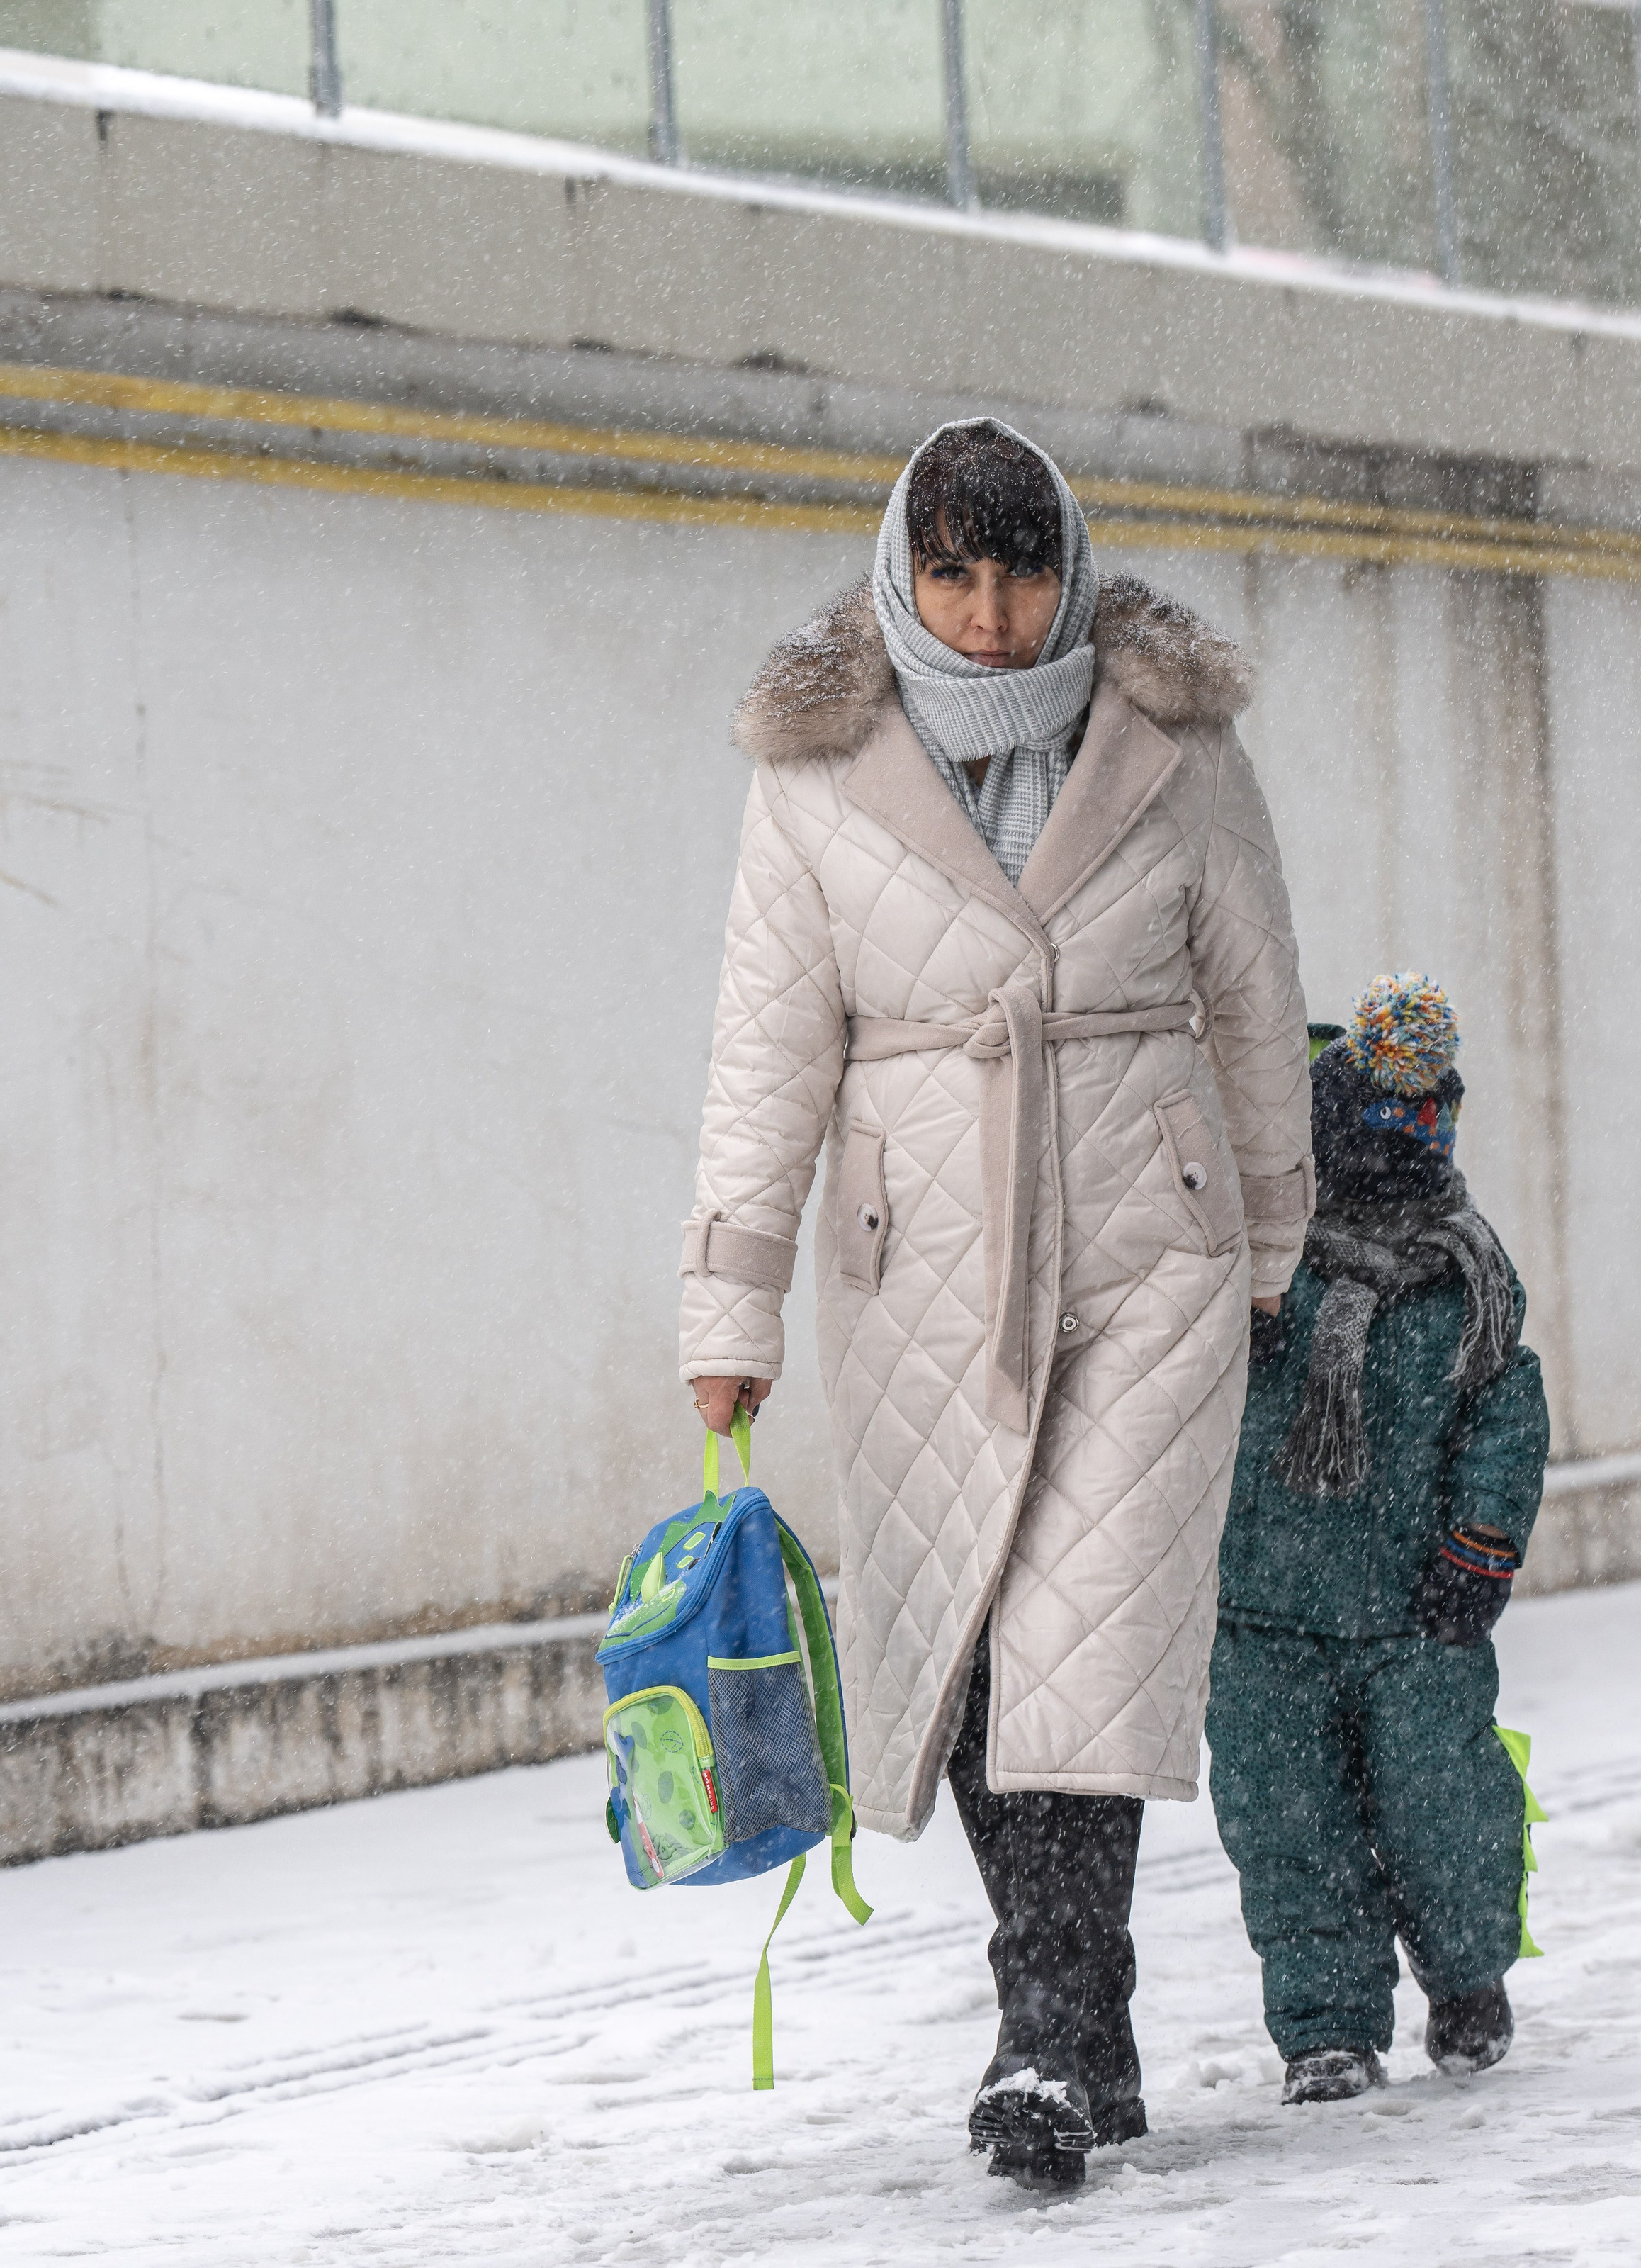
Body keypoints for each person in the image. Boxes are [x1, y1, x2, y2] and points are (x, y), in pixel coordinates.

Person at [678, 419, 1313, 2183]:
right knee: (959, 1639)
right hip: (918, 1258)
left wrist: (1274, 1238)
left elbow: (1255, 993)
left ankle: (1041, 2026)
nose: (987, 611)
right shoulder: (815, 770)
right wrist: (729, 1305)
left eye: (1021, 569)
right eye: (952, 569)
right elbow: (764, 1047)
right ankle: (1082, 2013)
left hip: (1146, 1237)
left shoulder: (1172, 743)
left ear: (1071, 570)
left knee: (1080, 1628)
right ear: (904, 568)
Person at [1207, 974, 1550, 2105]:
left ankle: (1467, 1982)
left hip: (1419, 1608)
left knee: (1446, 1812)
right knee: (1288, 1827)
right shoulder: (1264, 1255)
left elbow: (1504, 1411)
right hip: (1263, 1606)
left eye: (1432, 1125)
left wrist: (1483, 1541)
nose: (1414, 1151)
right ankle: (1327, 2031)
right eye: (1389, 1125)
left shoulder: (1468, 1274)